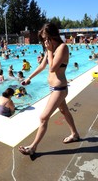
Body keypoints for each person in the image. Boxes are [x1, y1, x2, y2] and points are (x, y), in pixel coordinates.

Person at [18, 22, 80, 156]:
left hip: (59, 88)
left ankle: (33, 147)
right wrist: (29, 78)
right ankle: (75, 134)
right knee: (64, 111)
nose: (45, 41)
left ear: (53, 35)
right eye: (44, 39)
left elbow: (52, 68)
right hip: (54, 88)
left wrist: (50, 50)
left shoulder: (62, 48)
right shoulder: (50, 48)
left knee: (43, 117)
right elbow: (42, 66)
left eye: (47, 38)